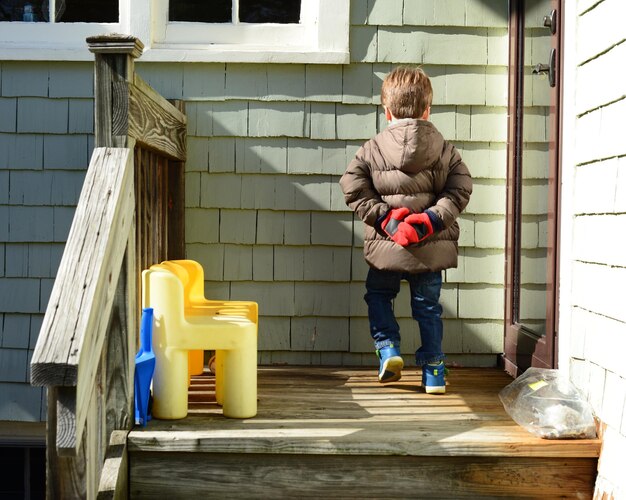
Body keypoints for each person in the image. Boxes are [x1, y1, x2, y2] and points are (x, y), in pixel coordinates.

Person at [339, 66, 472, 394]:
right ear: (428, 110)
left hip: (387, 245)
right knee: (427, 307)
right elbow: (460, 187)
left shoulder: (372, 148)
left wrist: (387, 220)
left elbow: (353, 186)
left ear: (386, 112)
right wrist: (430, 220)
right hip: (429, 247)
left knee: (380, 295)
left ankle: (388, 349)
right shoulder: (443, 148)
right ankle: (434, 372)